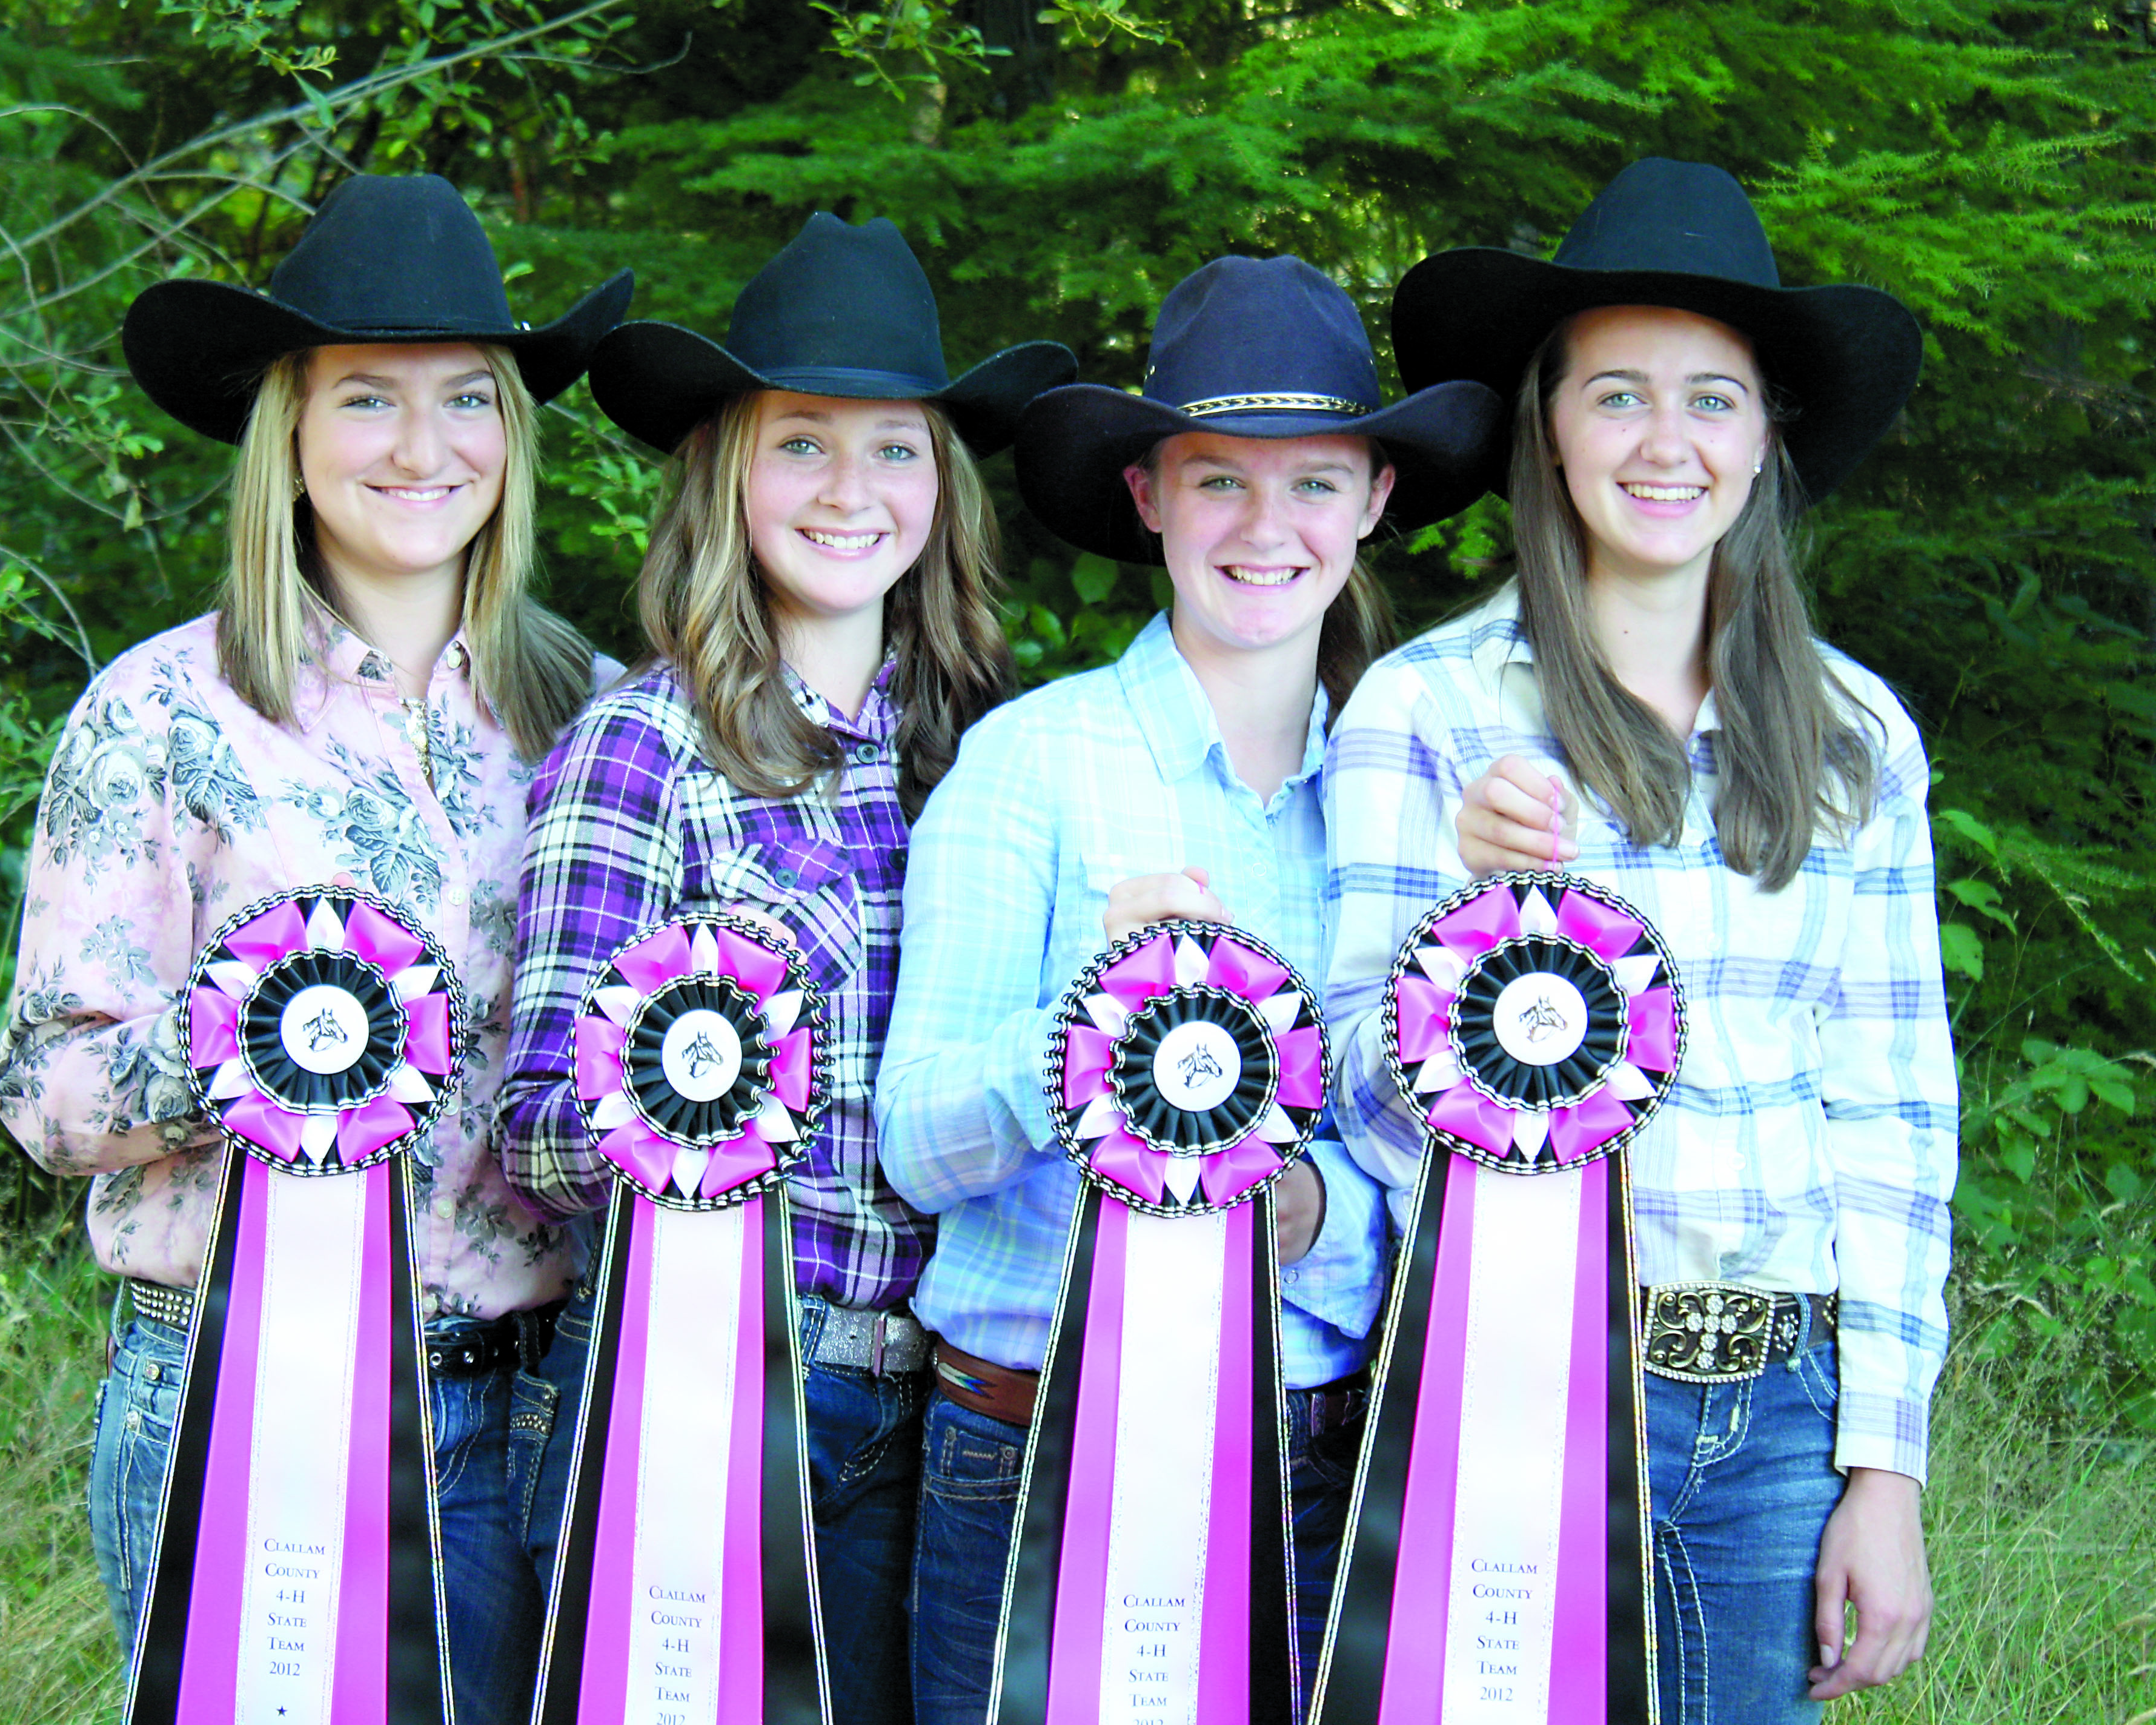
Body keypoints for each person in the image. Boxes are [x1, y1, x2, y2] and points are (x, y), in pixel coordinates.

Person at [0, 171, 631, 1718]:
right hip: (245, 1403)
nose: (424, 448)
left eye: (467, 398)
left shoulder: (597, 717)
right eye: (367, 400)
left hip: (542, 1406)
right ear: (288, 426)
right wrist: (263, 1032)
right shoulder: (162, 712)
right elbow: (46, 1096)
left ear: (514, 434)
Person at [1325, 157, 1955, 1722]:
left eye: (1711, 401)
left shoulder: (1855, 736)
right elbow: (1342, 1086)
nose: (1664, 443)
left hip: (1777, 1410)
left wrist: (1884, 1465)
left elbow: (1892, 1105)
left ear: (1765, 441)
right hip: (1503, 1387)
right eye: (1615, 395)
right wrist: (1462, 938)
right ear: (1546, 424)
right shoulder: (1427, 711)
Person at [876, 253, 1504, 1724]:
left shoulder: (1416, 791)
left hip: (1315, 1459)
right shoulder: (1031, 760)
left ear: (1376, 501)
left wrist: (1320, 1208)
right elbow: (911, 1138)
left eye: (1314, 484)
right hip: (1034, 1448)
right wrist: (1082, 1042)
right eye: (1218, 479)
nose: (1267, 528)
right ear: (1149, 494)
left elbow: (1450, 1151)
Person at [497, 210, 1073, 1725]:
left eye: (894, 449)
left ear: (941, 489)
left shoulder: (990, 753)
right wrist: (691, 1088)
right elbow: (540, 1128)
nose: (850, 489)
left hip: (947, 1408)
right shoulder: (642, 748)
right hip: (710, 1391)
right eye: (801, 443)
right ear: (727, 477)